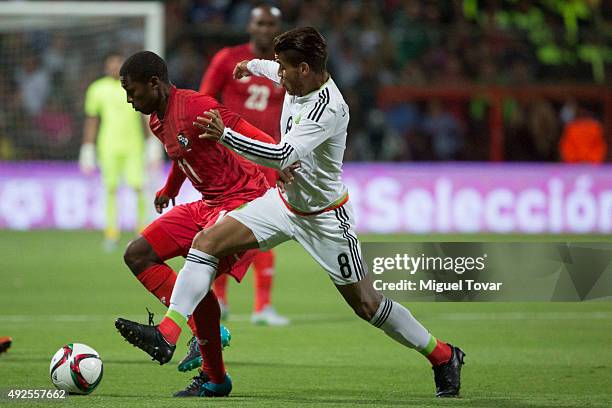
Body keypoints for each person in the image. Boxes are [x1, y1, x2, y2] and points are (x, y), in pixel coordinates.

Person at [116, 28, 465, 398]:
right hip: (282, 205)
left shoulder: (328, 108)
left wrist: (225, 136)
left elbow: (283, 156)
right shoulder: (297, 79)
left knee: (368, 305)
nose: (278, 75)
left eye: (284, 69)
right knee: (206, 243)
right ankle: (170, 332)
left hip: (325, 216)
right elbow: (271, 68)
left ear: (303, 69)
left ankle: (443, 355)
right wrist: (250, 65)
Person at [114, 51, 295, 397]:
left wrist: (280, 162)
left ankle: (184, 344)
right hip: (207, 204)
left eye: (132, 91)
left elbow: (246, 130)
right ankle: (213, 372)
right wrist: (170, 189)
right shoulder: (156, 120)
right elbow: (184, 155)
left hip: (245, 200)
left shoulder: (195, 106)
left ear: (154, 83)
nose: (129, 100)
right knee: (138, 254)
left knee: (197, 272)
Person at [199, 4, 288, 325]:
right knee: (223, 226)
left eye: (270, 24)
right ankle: (219, 300)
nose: (264, 29)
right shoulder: (227, 58)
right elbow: (204, 99)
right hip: (229, 158)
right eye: (259, 24)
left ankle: (262, 307)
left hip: (267, 158)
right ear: (250, 27)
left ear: (278, 29)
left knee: (269, 227)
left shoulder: (287, 66)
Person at [79, 52, 159, 251]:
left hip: (134, 146)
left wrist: (153, 143)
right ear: (106, 66)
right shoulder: (97, 89)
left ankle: (142, 231)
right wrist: (87, 147)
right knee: (111, 189)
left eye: (118, 64)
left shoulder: (135, 86)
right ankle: (111, 233)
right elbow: (92, 119)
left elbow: (144, 115)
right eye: (111, 64)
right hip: (108, 146)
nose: (114, 67)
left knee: (139, 187)